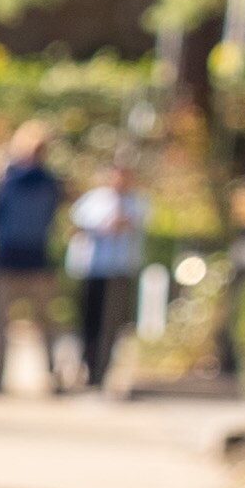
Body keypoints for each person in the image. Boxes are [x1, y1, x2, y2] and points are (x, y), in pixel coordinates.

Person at [0, 122, 67, 393]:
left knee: (28, 324)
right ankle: (1, 376)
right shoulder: (43, 182)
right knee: (11, 325)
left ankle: (8, 377)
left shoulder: (16, 180)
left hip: (26, 257)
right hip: (20, 257)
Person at [65, 157, 146, 397]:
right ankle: (87, 366)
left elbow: (130, 225)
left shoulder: (136, 202)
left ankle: (103, 369)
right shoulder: (94, 199)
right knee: (89, 320)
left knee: (114, 323)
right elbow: (85, 224)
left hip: (120, 271)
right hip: (94, 269)